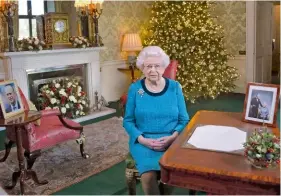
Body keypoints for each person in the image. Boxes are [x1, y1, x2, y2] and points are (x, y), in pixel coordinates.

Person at [123, 46, 190, 195]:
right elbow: (127, 121)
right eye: (148, 66)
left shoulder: (175, 87)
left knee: (171, 173)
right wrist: (142, 140)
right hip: (144, 142)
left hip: (171, 140)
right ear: (142, 68)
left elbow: (184, 119)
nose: (153, 70)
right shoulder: (135, 89)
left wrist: (173, 137)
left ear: (163, 67)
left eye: (157, 66)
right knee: (148, 176)